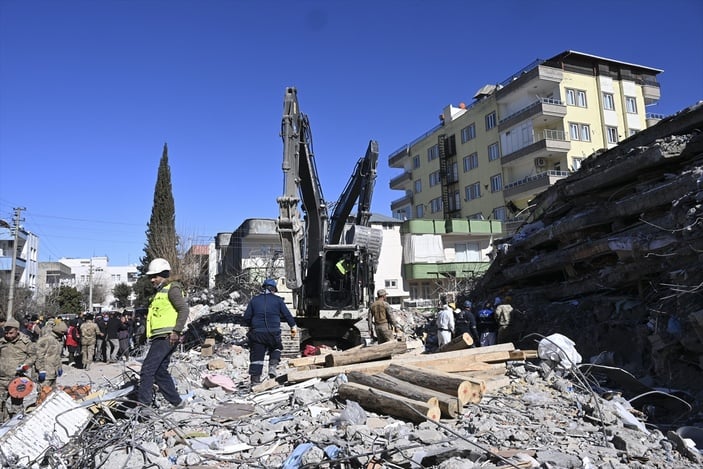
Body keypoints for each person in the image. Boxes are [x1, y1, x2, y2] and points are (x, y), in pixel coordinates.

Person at [136, 258, 190, 408]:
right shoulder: (160, 292)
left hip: (167, 336)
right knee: (160, 371)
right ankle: (177, 402)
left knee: (147, 370)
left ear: (164, 274)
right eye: (151, 277)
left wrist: (176, 331)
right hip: (161, 336)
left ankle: (143, 407)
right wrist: (143, 336)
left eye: (155, 276)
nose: (152, 280)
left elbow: (184, 310)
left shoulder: (172, 289)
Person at [243, 278, 297, 387]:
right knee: (276, 347)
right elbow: (287, 315)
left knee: (257, 357)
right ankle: (272, 366)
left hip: (257, 334)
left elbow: (246, 318)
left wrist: (250, 326)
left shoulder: (254, 300)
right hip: (273, 333)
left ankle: (255, 381)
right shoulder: (278, 301)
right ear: (273, 289)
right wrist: (293, 326)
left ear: (263, 288)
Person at [0, 316, 37, 422]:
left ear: (17, 330)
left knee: (16, 405)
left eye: (11, 333)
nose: (8, 335)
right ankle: (2, 426)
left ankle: (15, 425)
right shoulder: (2, 342)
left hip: (16, 380)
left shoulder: (25, 342)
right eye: (6, 333)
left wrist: (25, 365)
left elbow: (33, 356)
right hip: (1, 379)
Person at [35, 321, 67, 389]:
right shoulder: (46, 339)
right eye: (62, 332)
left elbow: (57, 356)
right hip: (46, 373)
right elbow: (39, 356)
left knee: (52, 394)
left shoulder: (57, 341)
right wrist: (41, 370)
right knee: (43, 394)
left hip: (53, 372)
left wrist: (59, 367)